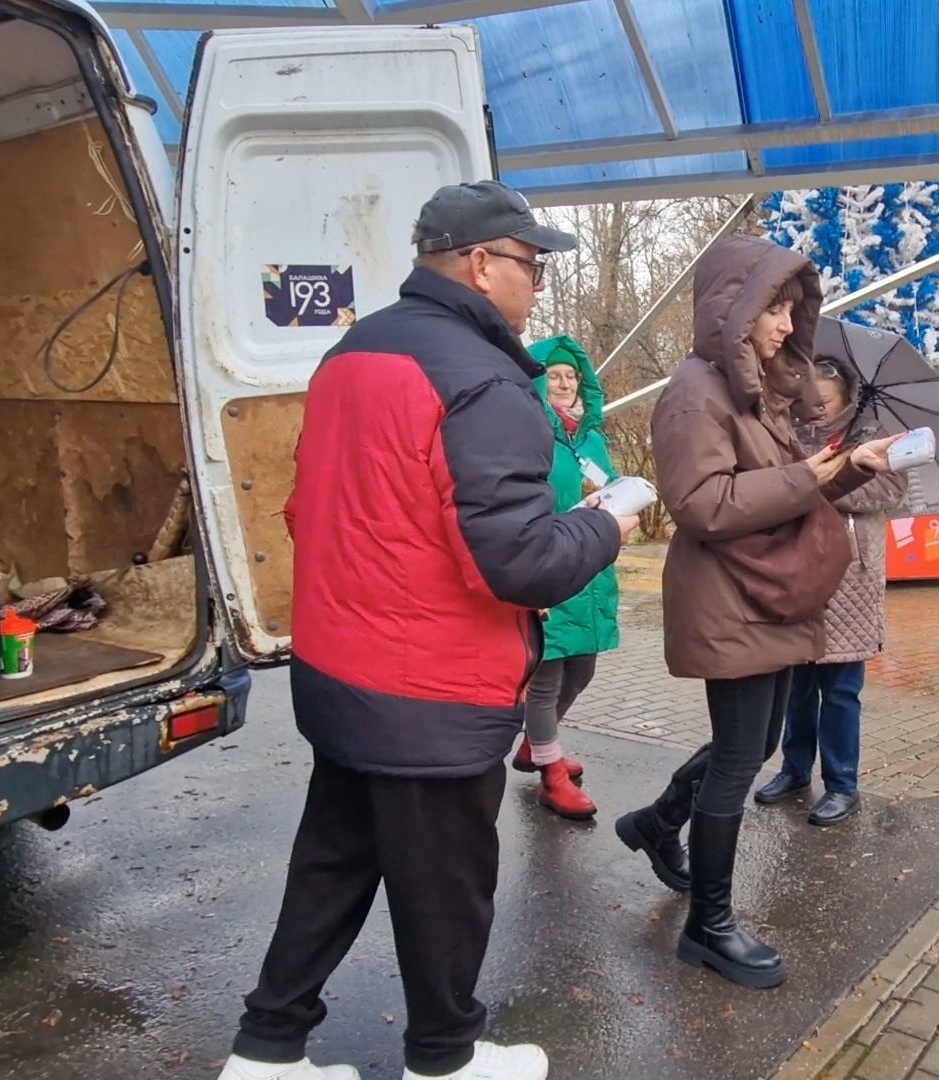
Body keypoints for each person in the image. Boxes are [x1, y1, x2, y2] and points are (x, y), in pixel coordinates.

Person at [218, 181, 638, 1080]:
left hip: (340, 667)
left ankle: (267, 1053)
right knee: (446, 886)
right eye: (530, 265)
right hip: (430, 689)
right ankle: (444, 1061)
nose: (538, 285)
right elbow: (520, 563)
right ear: (481, 264)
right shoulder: (484, 379)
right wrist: (606, 525)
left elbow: (309, 507)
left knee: (333, 862)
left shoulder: (354, 350)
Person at [612, 234, 901, 990]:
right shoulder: (695, 392)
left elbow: (783, 488)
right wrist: (812, 477)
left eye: (793, 308)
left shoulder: (750, 392)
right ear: (732, 308)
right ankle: (709, 927)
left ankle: (655, 824)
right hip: (730, 596)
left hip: (763, 594)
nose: (786, 323)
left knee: (755, 742)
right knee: (741, 757)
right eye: (773, 307)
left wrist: (846, 469)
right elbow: (701, 504)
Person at [753, 358, 906, 826]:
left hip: (850, 580)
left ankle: (842, 784)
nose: (816, 409)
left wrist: (826, 479)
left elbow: (888, 491)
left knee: (841, 690)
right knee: (796, 686)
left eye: (826, 402)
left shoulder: (872, 436)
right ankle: (794, 769)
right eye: (809, 401)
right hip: (798, 572)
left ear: (847, 399)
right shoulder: (787, 435)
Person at [512, 334, 619, 820]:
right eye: (552, 375)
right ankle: (551, 775)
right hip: (549, 564)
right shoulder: (527, 434)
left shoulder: (592, 438)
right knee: (547, 676)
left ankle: (538, 744)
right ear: (537, 382)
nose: (563, 382)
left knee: (583, 670)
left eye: (571, 375)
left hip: (591, 568)